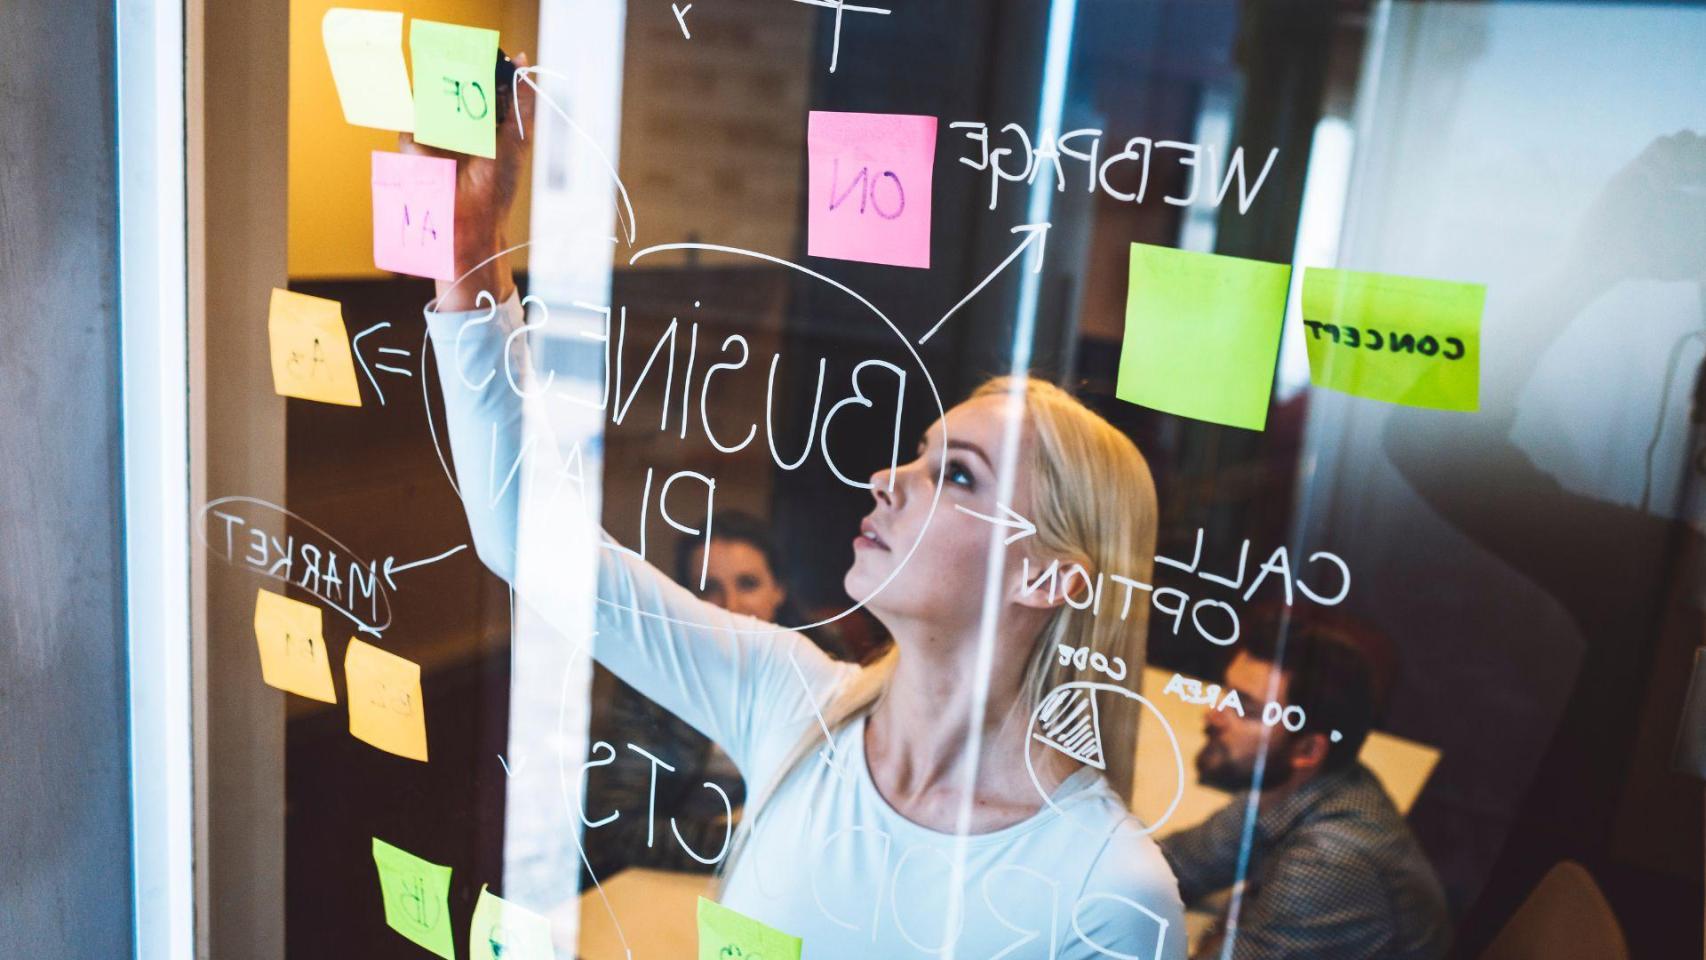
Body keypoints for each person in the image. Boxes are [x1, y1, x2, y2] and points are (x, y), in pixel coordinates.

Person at [406, 63, 1187, 959]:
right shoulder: (793, 701)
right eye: (920, 453)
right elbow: (527, 543)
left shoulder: (1107, 890)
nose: (889, 478)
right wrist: (467, 267)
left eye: (958, 476)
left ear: (1049, 574)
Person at [1160, 624, 1450, 960]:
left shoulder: (1326, 864)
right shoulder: (1286, 786)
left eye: (1247, 709)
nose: (1213, 714)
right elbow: (1181, 863)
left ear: (1308, 750)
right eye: (1226, 692)